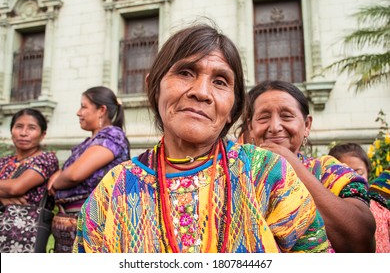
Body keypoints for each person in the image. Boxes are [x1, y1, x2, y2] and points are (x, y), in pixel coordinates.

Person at [74, 24, 330, 253]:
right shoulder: (114, 189)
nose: (201, 92)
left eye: (220, 82)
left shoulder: (267, 174)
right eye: (185, 73)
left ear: (233, 108)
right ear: (154, 87)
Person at [239, 80, 376, 252]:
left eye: (287, 116)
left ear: (307, 125)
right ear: (251, 127)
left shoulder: (329, 171)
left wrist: (291, 166)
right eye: (264, 117)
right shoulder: (234, 175)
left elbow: (361, 239)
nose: (274, 127)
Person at [48, 86, 130, 253]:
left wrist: (55, 182)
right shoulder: (89, 142)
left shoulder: (112, 136)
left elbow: (73, 175)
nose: (78, 112)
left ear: (101, 110)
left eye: (84, 106)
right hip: (68, 224)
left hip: (92, 222)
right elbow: (68, 171)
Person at [0, 108, 59, 252]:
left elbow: (17, 187)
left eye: (31, 128)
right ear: (12, 130)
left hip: (25, 235)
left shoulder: (46, 159)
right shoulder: (3, 162)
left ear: (42, 134)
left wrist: (5, 193)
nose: (23, 133)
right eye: (19, 126)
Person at [329, 143, 390, 253]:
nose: (353, 179)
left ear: (368, 171)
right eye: (344, 173)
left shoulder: (382, 208)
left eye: (359, 172)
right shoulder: (325, 213)